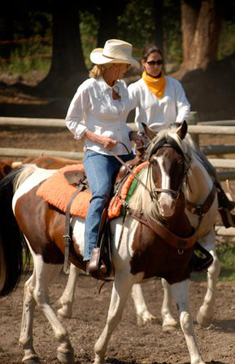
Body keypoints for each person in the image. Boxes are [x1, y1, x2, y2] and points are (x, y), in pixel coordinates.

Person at [128, 45, 235, 228]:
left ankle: (226, 212)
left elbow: (184, 105)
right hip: (149, 141)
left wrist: (177, 125)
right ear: (144, 64)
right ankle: (127, 215)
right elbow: (122, 111)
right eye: (152, 62)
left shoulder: (174, 84)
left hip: (174, 138)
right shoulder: (136, 88)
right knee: (129, 177)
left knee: (207, 167)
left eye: (159, 62)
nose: (156, 66)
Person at [65, 39, 141, 278]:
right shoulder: (88, 88)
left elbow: (118, 124)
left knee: (148, 188)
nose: (126, 69)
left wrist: (133, 133)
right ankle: (91, 253)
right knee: (101, 194)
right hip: (98, 154)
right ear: (111, 65)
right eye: (123, 65)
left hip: (124, 152)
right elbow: (72, 121)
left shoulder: (123, 87)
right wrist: (98, 139)